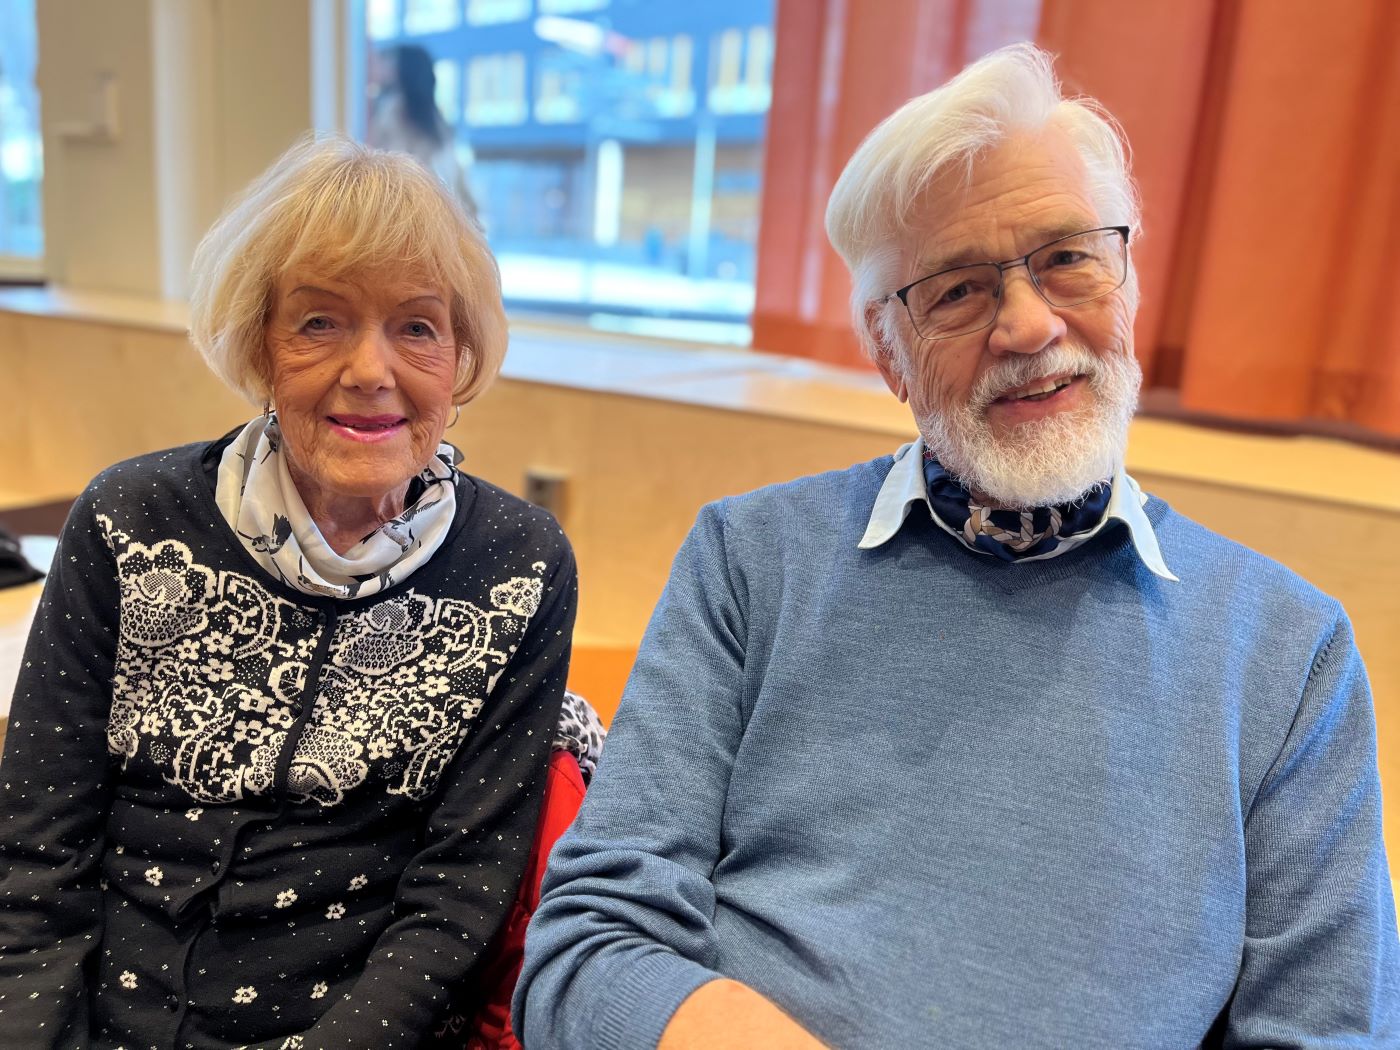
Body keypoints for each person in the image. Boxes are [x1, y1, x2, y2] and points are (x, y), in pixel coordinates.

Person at [514, 44, 1400, 1049]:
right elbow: (587, 955)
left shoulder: (1290, 654)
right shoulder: (749, 561)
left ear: (1128, 282)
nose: (1027, 326)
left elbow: (1327, 1033)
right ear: (886, 353)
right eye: (957, 290)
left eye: (1067, 257)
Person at [0, 136, 591, 1048]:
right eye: (319, 322)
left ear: (461, 356)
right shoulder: (129, 520)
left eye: (417, 327)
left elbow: (455, 905)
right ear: (258, 344)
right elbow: (38, 851)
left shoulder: (521, 566)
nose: (370, 370)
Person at [368, 44, 478, 221]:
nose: (383, 66)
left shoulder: (393, 113)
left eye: (390, 62)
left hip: (417, 217)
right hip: (434, 219)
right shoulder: (437, 123)